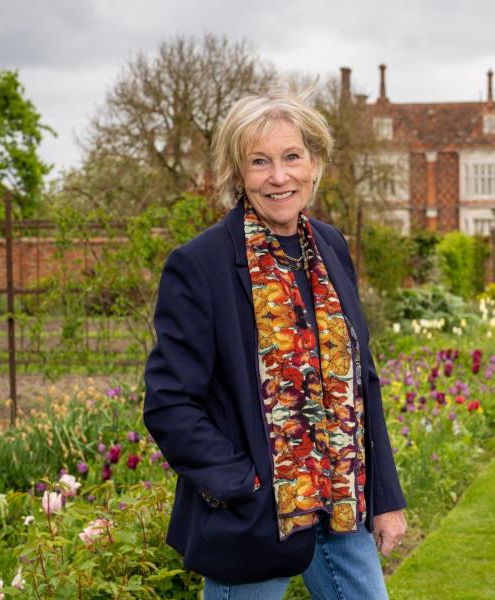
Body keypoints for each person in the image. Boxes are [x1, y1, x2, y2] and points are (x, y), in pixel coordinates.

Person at [143, 87, 407, 599]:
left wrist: (385, 497)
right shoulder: (200, 265)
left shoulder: (331, 246)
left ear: (315, 162)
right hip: (258, 520)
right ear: (238, 175)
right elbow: (170, 403)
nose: (279, 176)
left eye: (292, 157)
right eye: (259, 162)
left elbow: (362, 380)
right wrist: (246, 484)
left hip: (341, 506)